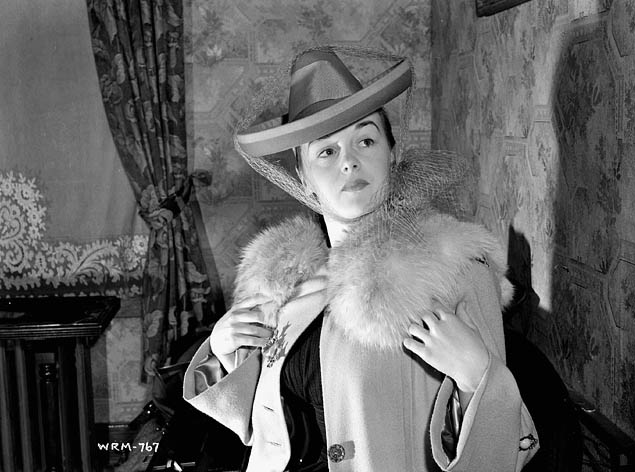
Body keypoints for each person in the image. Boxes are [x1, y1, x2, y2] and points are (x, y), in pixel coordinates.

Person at [183, 46, 539, 471]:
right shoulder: (282, 281)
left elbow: (508, 451)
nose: (349, 162)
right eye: (326, 152)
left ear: (392, 152)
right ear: (303, 178)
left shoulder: (455, 270)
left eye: (365, 140)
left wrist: (477, 376)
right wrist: (224, 354)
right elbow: (260, 427)